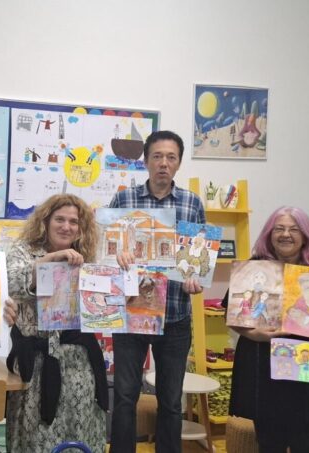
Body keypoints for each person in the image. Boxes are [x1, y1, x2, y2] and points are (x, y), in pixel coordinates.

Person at [224, 206, 309, 453]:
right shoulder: (254, 268)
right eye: (279, 229)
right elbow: (234, 317)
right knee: (269, 443)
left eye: (294, 229)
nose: (286, 234)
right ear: (269, 234)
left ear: (306, 236)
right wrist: (257, 335)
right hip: (263, 369)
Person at [108, 130, 205, 453]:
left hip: (175, 317)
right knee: (125, 397)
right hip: (131, 315)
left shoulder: (192, 203)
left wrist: (195, 279)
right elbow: (107, 252)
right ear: (146, 161)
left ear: (178, 163)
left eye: (171, 157)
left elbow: (197, 260)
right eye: (157, 156)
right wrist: (117, 255)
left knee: (171, 401)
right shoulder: (124, 200)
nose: (164, 163)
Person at [1, 193, 109, 452]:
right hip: (36, 363)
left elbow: (102, 301)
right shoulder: (24, 250)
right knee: (35, 436)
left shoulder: (86, 256)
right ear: (46, 221)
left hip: (78, 364)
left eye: (74, 222)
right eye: (60, 219)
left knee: (79, 430)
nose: (66, 226)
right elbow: (10, 284)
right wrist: (46, 263)